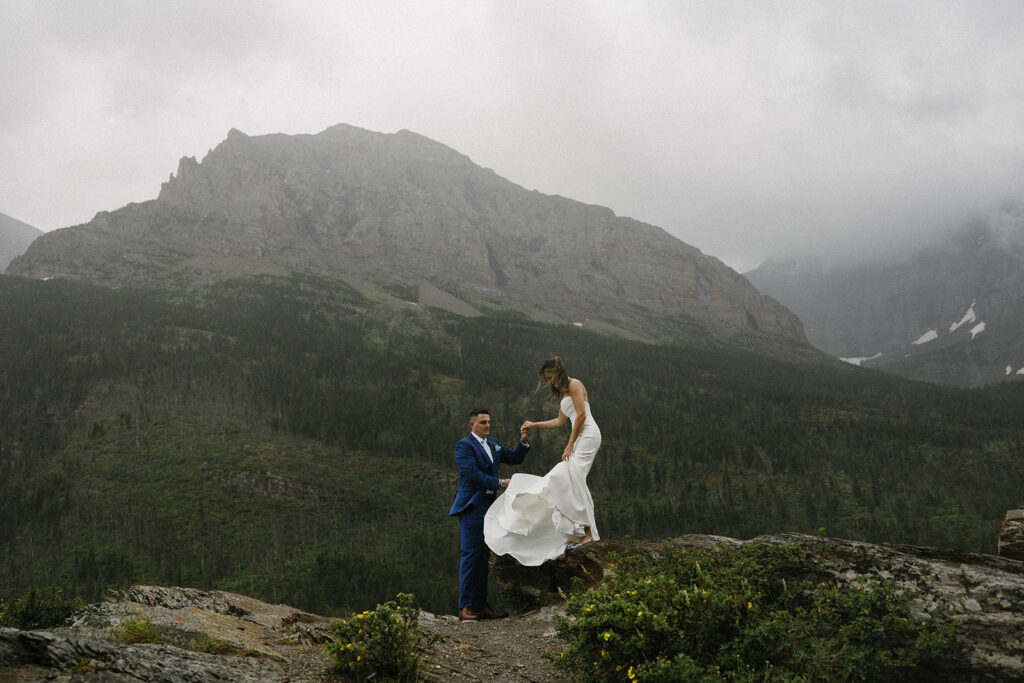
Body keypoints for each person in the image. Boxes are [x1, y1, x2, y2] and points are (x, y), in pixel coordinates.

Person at [484, 357, 601, 566]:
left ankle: (589, 533)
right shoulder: (565, 392)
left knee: (570, 477)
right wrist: (534, 424)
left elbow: (582, 416)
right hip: (581, 435)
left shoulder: (575, 384)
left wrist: (570, 444)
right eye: (546, 379)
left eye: (550, 377)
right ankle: (583, 531)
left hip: (588, 435)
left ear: (558, 372)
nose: (549, 382)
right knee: (569, 479)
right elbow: (560, 421)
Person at [448, 408, 531, 621]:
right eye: (483, 422)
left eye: (489, 422)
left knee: (484, 555)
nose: (487, 425)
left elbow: (513, 458)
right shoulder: (464, 446)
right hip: (471, 506)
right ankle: (465, 606)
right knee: (470, 554)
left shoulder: (493, 444)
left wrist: (523, 442)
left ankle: (480, 605)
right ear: (472, 424)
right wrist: (500, 483)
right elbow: (471, 474)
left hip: (489, 507)